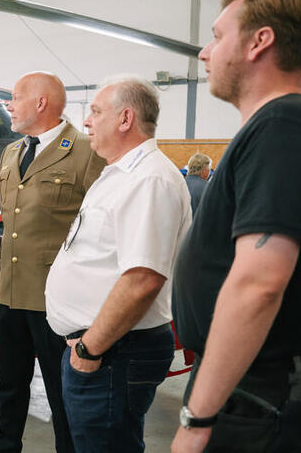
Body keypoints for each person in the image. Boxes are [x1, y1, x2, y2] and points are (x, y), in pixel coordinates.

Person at [171, 0, 301, 453]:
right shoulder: (283, 127)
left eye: (216, 36)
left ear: (258, 42)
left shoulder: (281, 127)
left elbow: (258, 284)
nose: (205, 53)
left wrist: (197, 417)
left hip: (256, 393)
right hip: (252, 381)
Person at [45, 75, 192, 452]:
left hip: (114, 352)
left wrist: (88, 350)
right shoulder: (119, 173)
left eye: (95, 112)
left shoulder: (149, 180)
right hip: (105, 350)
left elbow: (143, 279)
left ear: (125, 119)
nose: (87, 121)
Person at [0, 71, 105, 453]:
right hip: (8, 296)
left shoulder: (87, 151)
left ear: (41, 103)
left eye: (15, 96)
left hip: (55, 305)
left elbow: (102, 230)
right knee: (8, 389)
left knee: (63, 398)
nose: (9, 104)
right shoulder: (12, 152)